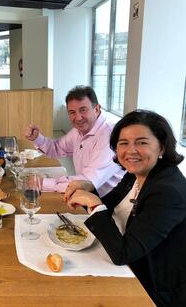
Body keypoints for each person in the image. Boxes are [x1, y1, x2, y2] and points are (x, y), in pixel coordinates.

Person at [65, 110, 186, 307]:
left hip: (151, 287)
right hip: (126, 262)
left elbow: (124, 253)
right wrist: (90, 188)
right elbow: (111, 203)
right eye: (124, 143)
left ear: (162, 147)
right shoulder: (136, 173)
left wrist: (94, 203)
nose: (131, 151)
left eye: (142, 142)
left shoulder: (167, 192)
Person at [24, 85, 124, 197]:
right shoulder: (79, 131)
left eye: (83, 110)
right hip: (86, 194)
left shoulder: (109, 135)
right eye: (72, 112)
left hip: (108, 203)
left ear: (96, 109)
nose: (78, 117)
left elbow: (87, 182)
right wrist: (37, 138)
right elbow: (56, 148)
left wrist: (42, 183)